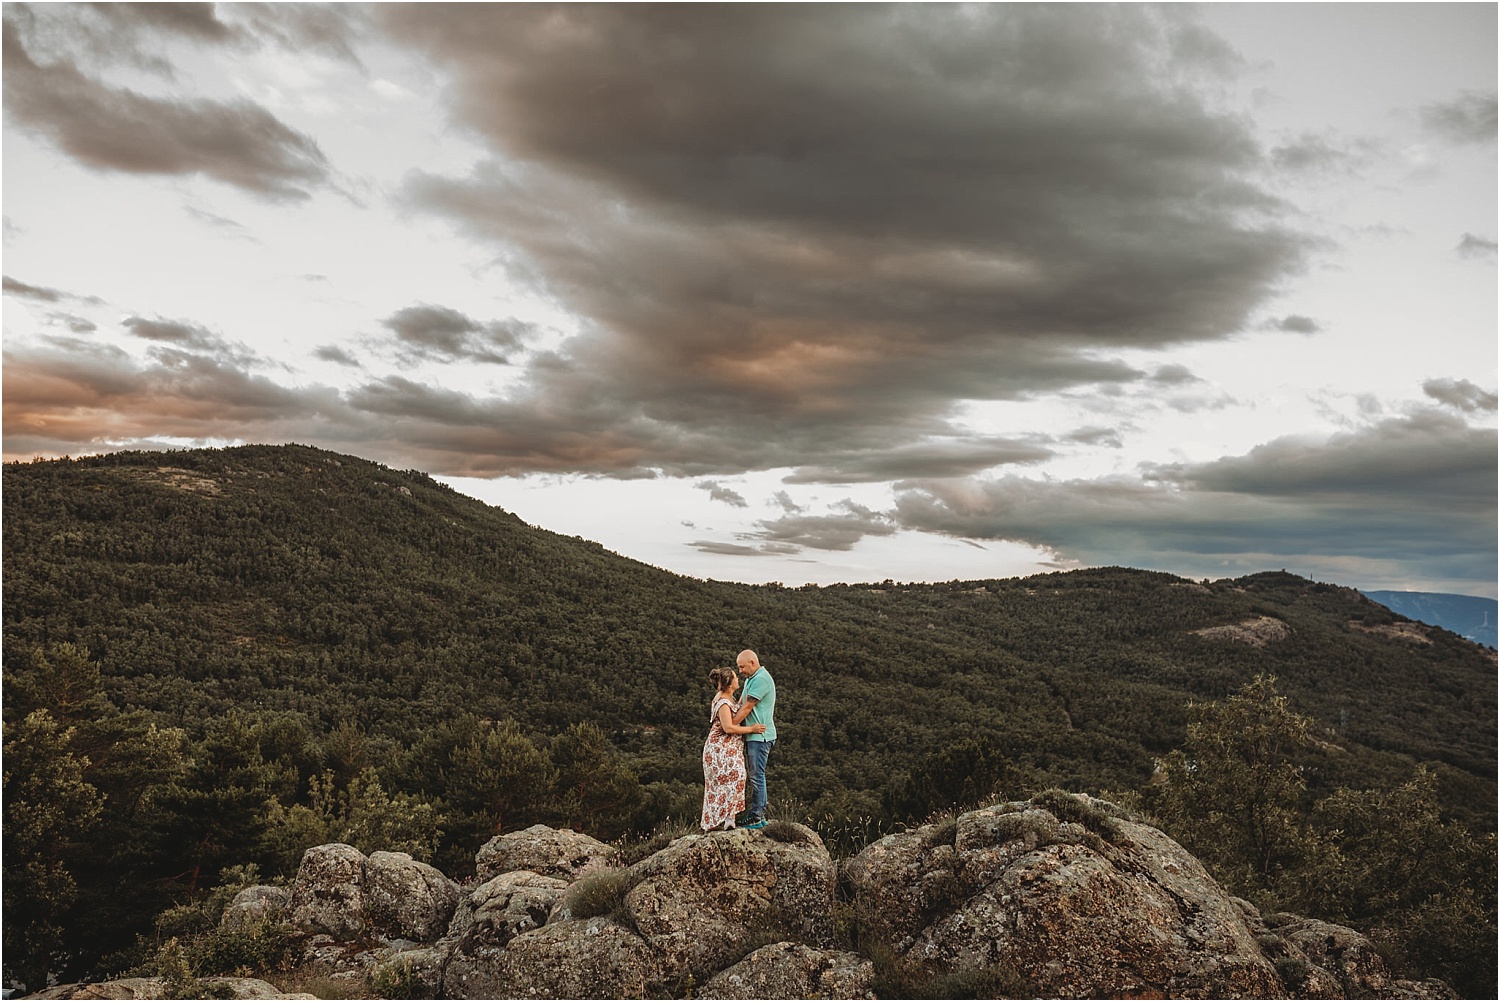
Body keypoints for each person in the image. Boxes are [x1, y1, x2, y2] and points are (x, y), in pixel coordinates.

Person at [702, 666, 766, 831]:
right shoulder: (723, 702)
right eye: (735, 678)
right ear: (730, 684)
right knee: (736, 776)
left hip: (729, 747)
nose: (738, 679)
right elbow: (728, 728)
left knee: (732, 779)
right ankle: (725, 819)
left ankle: (726, 818)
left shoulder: (727, 697)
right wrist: (752, 729)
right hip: (720, 748)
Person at [733, 649, 776, 830]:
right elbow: (740, 704)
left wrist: (729, 726)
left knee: (757, 776)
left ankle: (756, 816)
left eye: (742, 667)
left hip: (760, 737)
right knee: (756, 775)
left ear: (752, 662)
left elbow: (747, 707)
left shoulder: (761, 679)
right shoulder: (751, 679)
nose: (740, 671)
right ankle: (759, 814)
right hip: (754, 736)